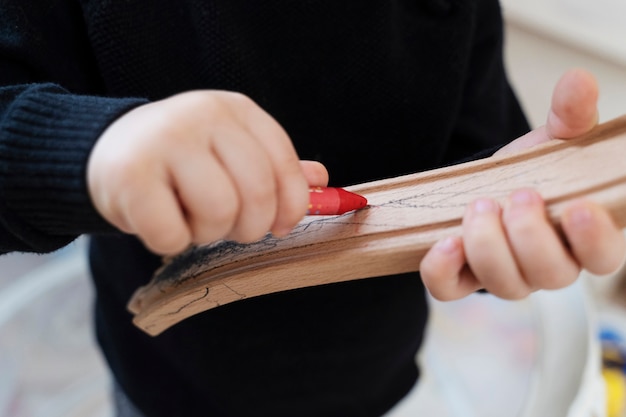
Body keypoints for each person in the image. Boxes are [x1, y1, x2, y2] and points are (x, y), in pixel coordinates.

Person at [0, 1, 623, 416]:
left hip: (378, 383)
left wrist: (509, 211)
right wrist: (95, 150)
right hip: (162, 389)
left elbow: (475, 148)